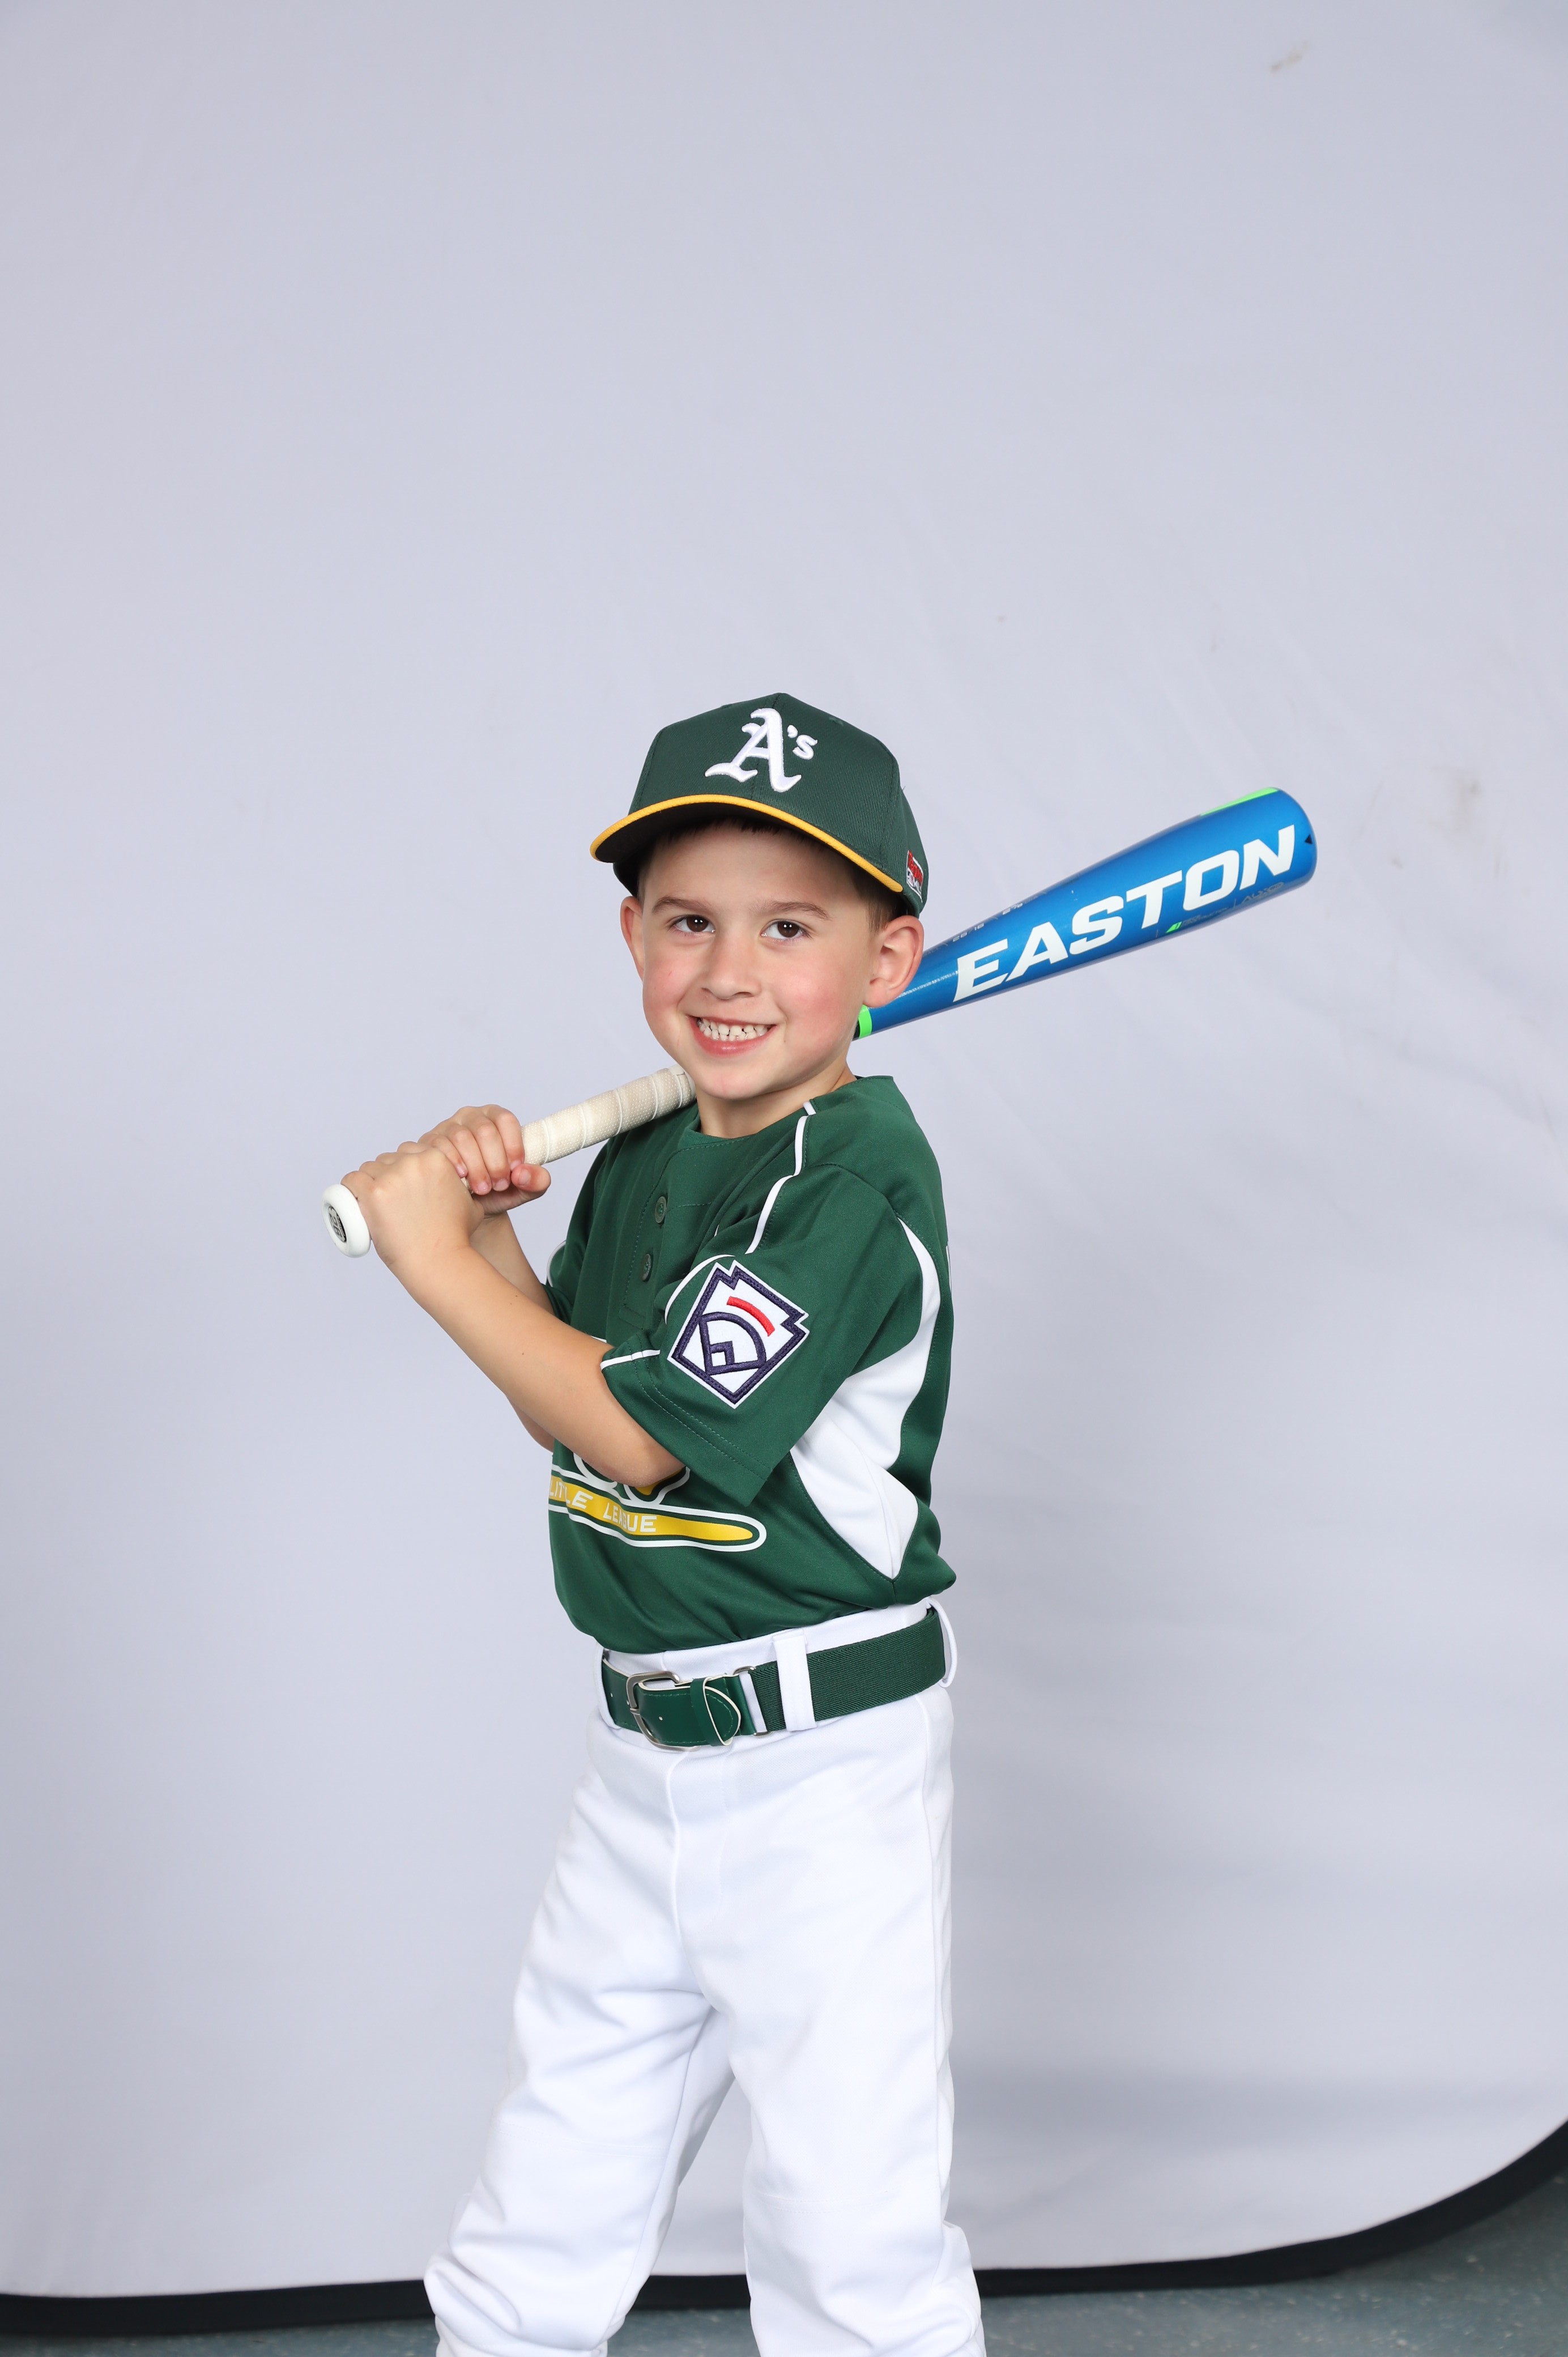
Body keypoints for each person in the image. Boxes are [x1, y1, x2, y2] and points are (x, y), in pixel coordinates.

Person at [340, 693, 982, 2357]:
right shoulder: (647, 1157)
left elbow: (640, 1441)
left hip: (823, 1769)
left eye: (791, 928)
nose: (728, 971)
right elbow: (562, 1396)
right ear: (632, 935)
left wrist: (430, 1263)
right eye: (689, 922)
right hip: (643, 1754)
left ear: (888, 958)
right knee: (552, 2174)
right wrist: (488, 1234)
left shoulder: (848, 1187)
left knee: (847, 2223)